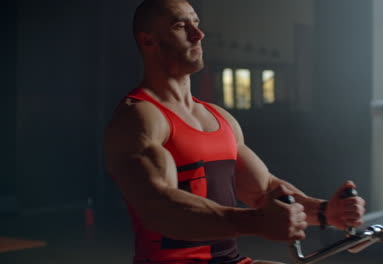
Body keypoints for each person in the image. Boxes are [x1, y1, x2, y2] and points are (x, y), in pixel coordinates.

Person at [104, 0, 366, 263]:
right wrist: (256, 222)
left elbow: (264, 191)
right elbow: (160, 208)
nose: (198, 34)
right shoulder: (138, 117)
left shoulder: (220, 118)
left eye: (196, 23)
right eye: (180, 26)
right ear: (148, 41)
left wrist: (325, 212)